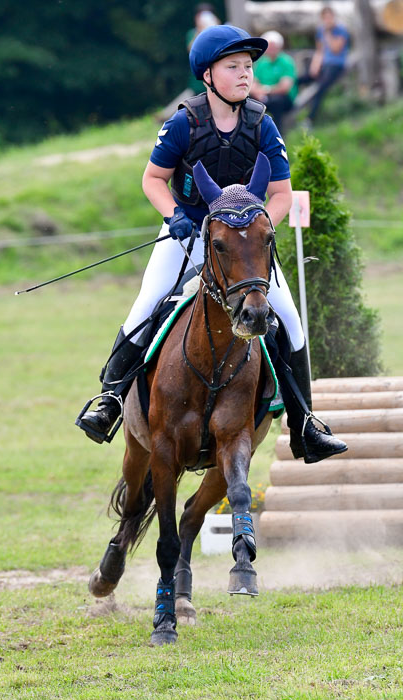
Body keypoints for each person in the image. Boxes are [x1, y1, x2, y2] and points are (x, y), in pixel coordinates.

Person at [76, 24, 347, 465]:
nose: (245, 74)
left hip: (244, 249)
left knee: (291, 324)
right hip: (189, 235)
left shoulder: (263, 124)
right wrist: (174, 216)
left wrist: (257, 228)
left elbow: (280, 194)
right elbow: (153, 180)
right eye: (233, 67)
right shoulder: (182, 123)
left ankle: (304, 425)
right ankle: (108, 401)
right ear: (207, 75)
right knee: (146, 306)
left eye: (248, 67)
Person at [156, 4, 221, 123]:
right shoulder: (193, 33)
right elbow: (192, 50)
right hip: (198, 79)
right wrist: (200, 31)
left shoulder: (219, 30)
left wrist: (216, 27)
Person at [301, 6, 350, 125]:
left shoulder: (341, 30)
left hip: (336, 65)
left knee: (320, 88)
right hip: (325, 64)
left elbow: (335, 48)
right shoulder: (321, 30)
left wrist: (328, 33)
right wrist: (315, 66)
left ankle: (310, 119)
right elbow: (320, 51)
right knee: (302, 78)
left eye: (329, 17)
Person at [250, 30, 297, 135]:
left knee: (276, 102)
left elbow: (285, 87)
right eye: (268, 47)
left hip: (283, 99)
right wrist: (258, 92)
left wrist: (265, 90)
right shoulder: (261, 63)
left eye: (273, 46)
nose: (270, 49)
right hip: (264, 96)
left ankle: (278, 135)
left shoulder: (286, 61)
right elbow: (253, 84)